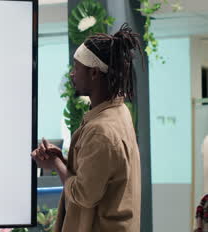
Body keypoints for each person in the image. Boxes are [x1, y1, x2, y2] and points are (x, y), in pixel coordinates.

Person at [32, 24, 142, 232]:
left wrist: (56, 164)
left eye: (76, 67)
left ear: (93, 73)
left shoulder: (101, 129)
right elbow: (100, 177)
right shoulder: (119, 113)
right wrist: (65, 161)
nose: (72, 74)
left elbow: (84, 194)